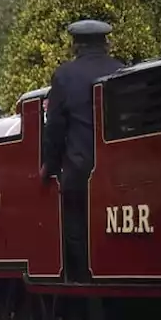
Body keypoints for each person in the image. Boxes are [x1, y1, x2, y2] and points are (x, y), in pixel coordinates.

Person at [40, 18, 125, 282]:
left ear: (75, 45)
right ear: (106, 43)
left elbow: (54, 126)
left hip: (81, 169)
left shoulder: (65, 76)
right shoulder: (122, 71)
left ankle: (81, 285)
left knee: (74, 228)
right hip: (120, 173)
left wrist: (48, 165)